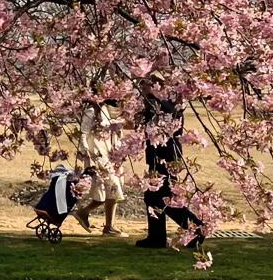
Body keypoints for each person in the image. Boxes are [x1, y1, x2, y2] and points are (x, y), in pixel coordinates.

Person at [135, 71, 203, 249]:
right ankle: (156, 237)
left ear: (154, 86)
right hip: (162, 156)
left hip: (164, 156)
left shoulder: (160, 103)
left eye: (144, 85)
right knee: (153, 196)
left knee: (162, 197)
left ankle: (194, 227)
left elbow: (159, 130)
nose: (141, 89)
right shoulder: (164, 102)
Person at [73, 101, 127, 236]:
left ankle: (108, 225)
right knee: (109, 185)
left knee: (113, 187)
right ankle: (85, 212)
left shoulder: (109, 110)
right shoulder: (92, 111)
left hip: (109, 151)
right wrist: (85, 152)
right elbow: (83, 133)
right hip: (97, 152)